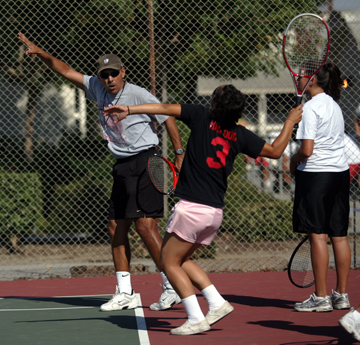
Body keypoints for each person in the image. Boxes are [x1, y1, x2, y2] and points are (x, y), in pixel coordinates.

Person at [102, 84, 303, 335]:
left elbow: (163, 108)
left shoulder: (200, 115)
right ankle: (217, 302)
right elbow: (275, 151)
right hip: (214, 212)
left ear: (215, 105)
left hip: (191, 209)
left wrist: (129, 109)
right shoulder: (240, 134)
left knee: (168, 261)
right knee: (181, 260)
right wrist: (290, 121)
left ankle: (196, 317)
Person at [17, 33, 185, 312]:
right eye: (104, 74)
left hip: (146, 160)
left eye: (113, 73)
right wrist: (42, 53)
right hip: (121, 165)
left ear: (123, 72)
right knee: (115, 227)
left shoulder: (138, 94)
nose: (108, 79)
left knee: (145, 226)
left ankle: (172, 286)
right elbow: (65, 70)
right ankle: (125, 291)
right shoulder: (95, 87)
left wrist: (179, 153)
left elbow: (167, 117)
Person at [290, 61, 351, 312]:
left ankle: (322, 297)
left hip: (316, 176)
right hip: (340, 174)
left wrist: (293, 163)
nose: (298, 78)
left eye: (302, 75)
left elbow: (306, 150)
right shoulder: (335, 106)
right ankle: (342, 296)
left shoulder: (309, 108)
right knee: (339, 235)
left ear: (313, 80)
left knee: (318, 234)